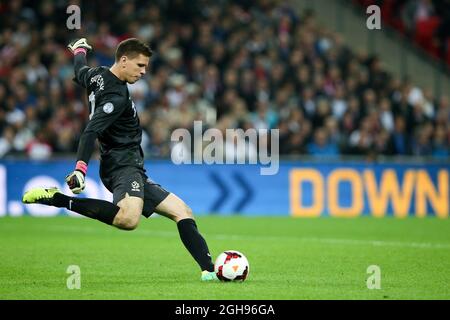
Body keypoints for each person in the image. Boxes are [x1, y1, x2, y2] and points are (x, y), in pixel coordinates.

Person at [22, 38, 218, 281]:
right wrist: (80, 169)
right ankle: (59, 199)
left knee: (182, 211)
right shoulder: (116, 97)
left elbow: (80, 70)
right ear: (123, 60)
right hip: (122, 165)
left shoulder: (97, 75)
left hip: (132, 165)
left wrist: (79, 50)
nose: (144, 72)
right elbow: (90, 131)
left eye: (145, 67)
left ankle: (210, 272)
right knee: (128, 219)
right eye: (140, 65)